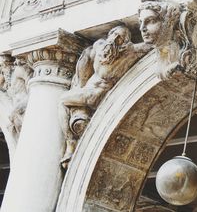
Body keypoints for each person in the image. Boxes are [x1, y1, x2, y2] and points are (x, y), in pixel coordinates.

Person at [60, 23, 150, 167]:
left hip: (94, 96)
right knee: (64, 100)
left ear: (125, 42)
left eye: (119, 37)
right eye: (113, 33)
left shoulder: (130, 52)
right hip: (87, 91)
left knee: (62, 99)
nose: (114, 39)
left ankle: (71, 144)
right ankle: (71, 142)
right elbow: (86, 59)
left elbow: (149, 46)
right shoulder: (99, 46)